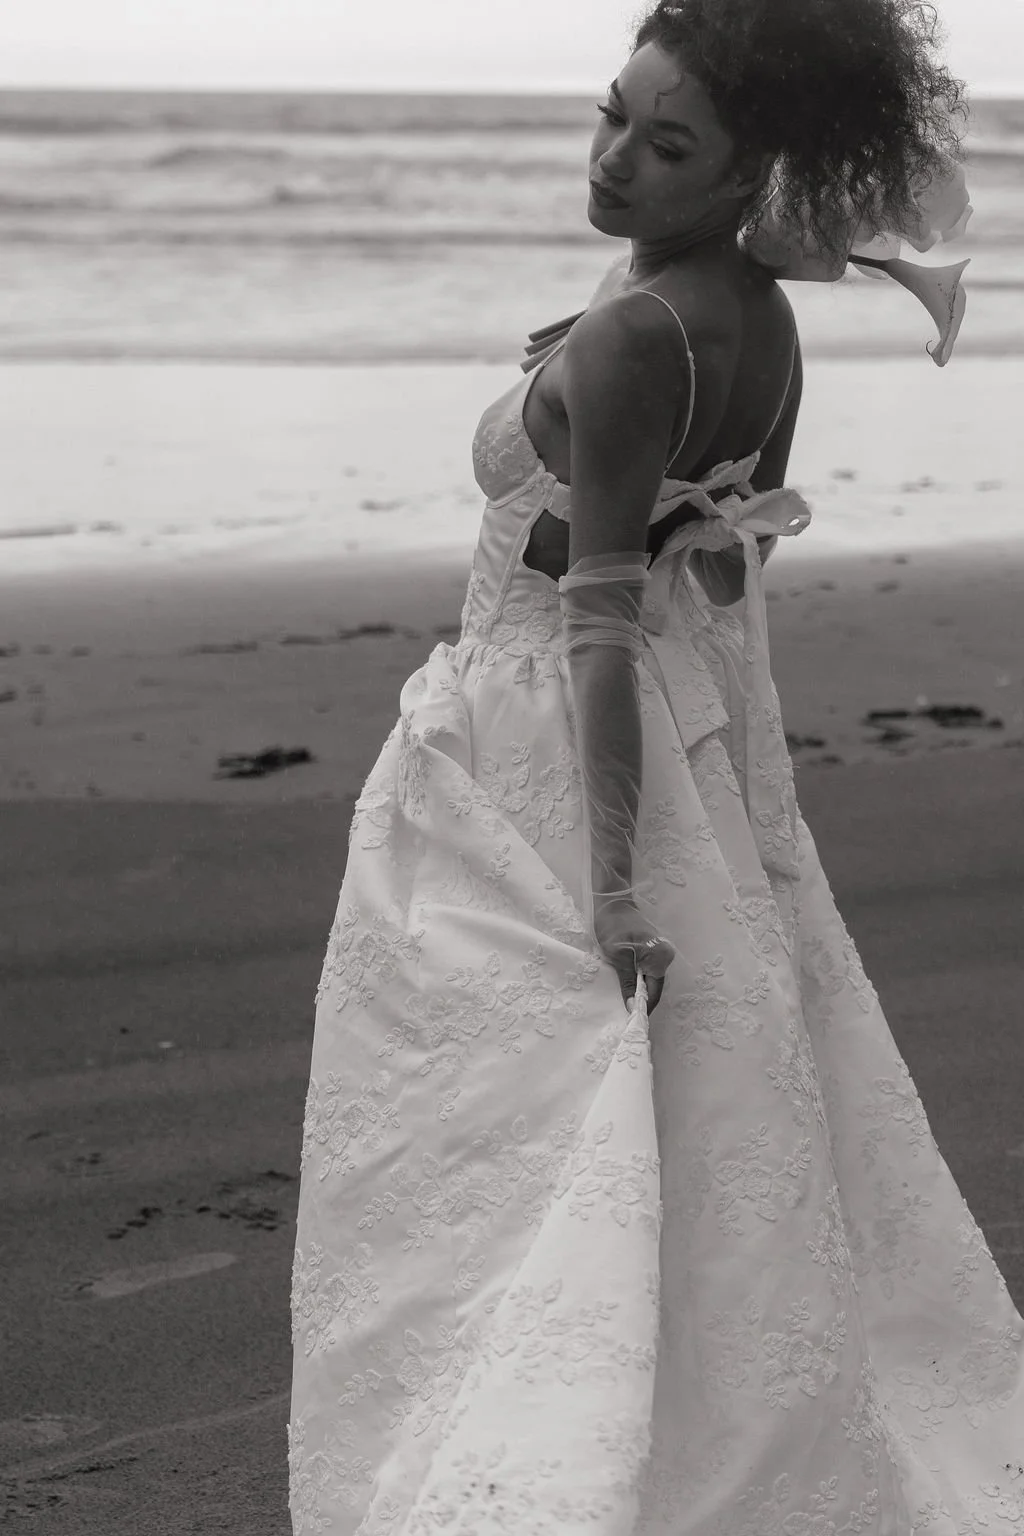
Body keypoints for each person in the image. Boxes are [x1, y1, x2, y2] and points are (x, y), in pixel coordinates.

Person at [287, 0, 1024, 1529]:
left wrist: (619, 882)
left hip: (545, 752)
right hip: (673, 743)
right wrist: (748, 807)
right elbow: (731, 586)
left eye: (666, 142)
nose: (617, 157)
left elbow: (613, 624)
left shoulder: (637, 335)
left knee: (494, 1133)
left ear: (756, 171)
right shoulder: (759, 313)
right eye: (613, 112)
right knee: (651, 1120)